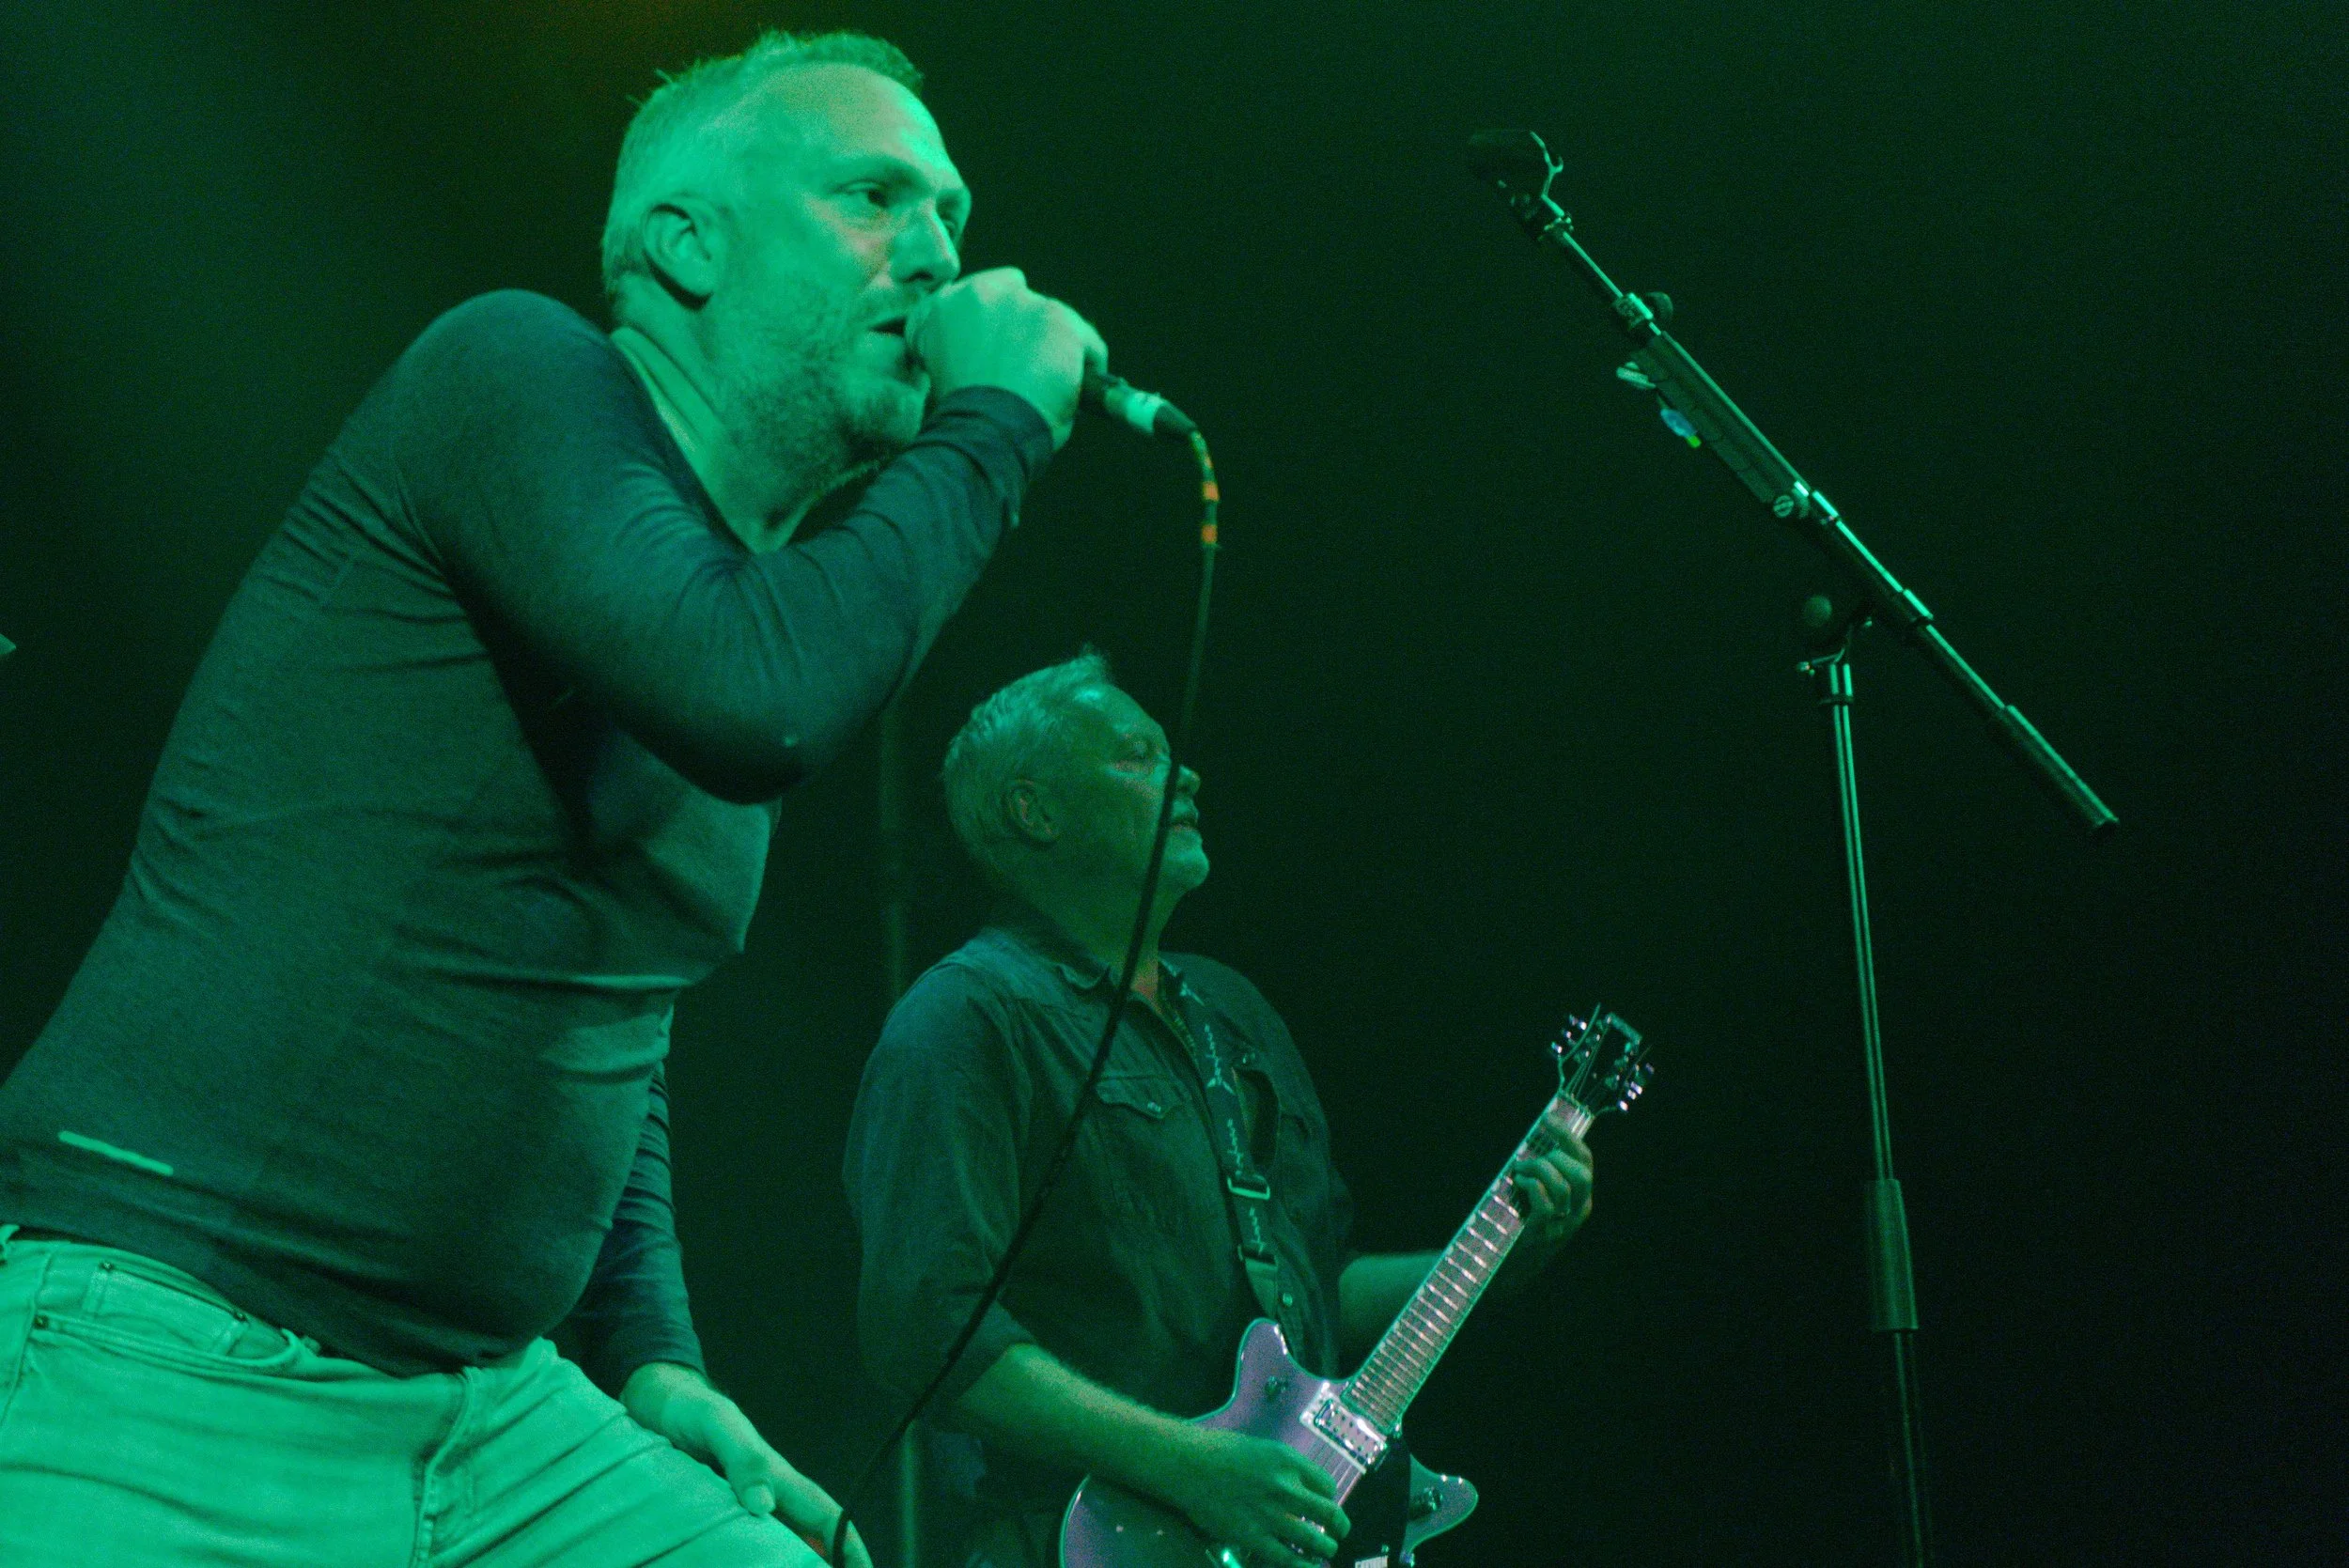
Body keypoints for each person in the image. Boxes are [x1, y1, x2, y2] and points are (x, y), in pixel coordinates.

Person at [0, 29, 1105, 1568]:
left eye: (953, 215)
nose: (937, 252)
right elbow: (767, 700)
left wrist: (652, 1354)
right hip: (177, 1355)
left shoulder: (717, 612)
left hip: (496, 1416)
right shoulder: (510, 373)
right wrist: (999, 428)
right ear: (686, 243)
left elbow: (611, 1016)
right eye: (875, 196)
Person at [843, 653, 1598, 1568]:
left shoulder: (1235, 1012)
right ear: (1033, 810)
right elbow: (927, 1334)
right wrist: (1192, 1467)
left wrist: (1501, 1252)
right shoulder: (965, 1018)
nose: (1187, 775)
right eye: (1137, 755)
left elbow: (1322, 1291)